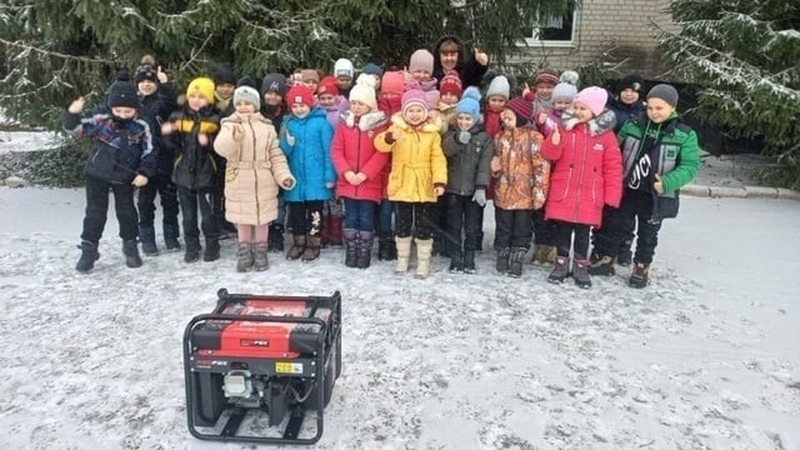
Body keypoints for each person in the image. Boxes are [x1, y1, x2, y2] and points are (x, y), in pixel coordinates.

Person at [589, 84, 700, 288]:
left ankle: (641, 265)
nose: (654, 112)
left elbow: (690, 165)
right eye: (650, 107)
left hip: (655, 194)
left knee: (648, 233)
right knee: (614, 224)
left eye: (660, 108)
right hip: (628, 189)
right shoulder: (633, 124)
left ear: (672, 108)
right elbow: (613, 149)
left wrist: (668, 182)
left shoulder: (684, 134)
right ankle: (606, 257)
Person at [63, 72, 155, 272]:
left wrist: (144, 172)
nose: (122, 114)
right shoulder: (101, 118)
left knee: (127, 212)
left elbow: (150, 150)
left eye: (127, 111)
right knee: (95, 212)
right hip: (98, 172)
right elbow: (76, 129)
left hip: (126, 175)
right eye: (118, 110)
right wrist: (72, 114)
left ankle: (130, 246)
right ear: (110, 107)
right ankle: (89, 248)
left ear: (136, 108)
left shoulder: (142, 124)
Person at [541, 86, 623, 288]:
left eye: (583, 108)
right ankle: (561, 264)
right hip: (565, 190)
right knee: (562, 231)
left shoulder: (606, 136)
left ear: (595, 111)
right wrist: (554, 143)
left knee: (583, 234)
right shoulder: (564, 129)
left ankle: (580, 266)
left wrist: (612, 195)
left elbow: (613, 167)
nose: (577, 112)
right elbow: (549, 155)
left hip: (590, 195)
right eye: (576, 107)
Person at [213, 86, 296, 271]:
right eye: (239, 103)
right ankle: (244, 253)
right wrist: (232, 139)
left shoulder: (266, 127)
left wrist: (283, 176)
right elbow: (221, 149)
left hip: (264, 181)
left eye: (248, 103)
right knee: (243, 218)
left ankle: (261, 252)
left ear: (256, 105)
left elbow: (275, 155)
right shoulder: (229, 124)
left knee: (262, 219)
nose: (243, 107)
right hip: (240, 180)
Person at [375, 87, 447, 279]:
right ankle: (403, 258)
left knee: (423, 224)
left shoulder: (432, 134)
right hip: (403, 182)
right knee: (403, 223)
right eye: (411, 111)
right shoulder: (397, 129)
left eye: (418, 110)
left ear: (425, 112)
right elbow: (380, 144)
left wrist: (439, 181)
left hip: (424, 183)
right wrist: (390, 138)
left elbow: (438, 159)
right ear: (404, 112)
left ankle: (423, 262)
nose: (415, 115)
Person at [161, 76, 222, 263]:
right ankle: (192, 245)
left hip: (207, 173)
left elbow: (222, 147)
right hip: (184, 173)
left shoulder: (216, 118)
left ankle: (212, 244)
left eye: (201, 97)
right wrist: (168, 134)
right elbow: (170, 146)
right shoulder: (178, 116)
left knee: (208, 214)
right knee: (188, 215)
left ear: (209, 99)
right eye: (193, 96)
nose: (196, 100)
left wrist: (208, 142)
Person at [330, 79, 390, 269]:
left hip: (368, 182)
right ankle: (351, 250)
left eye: (361, 104)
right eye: (354, 103)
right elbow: (336, 150)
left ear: (370, 105)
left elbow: (382, 153)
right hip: (348, 182)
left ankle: (364, 252)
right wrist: (346, 172)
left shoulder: (379, 126)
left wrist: (365, 174)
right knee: (351, 217)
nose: (356, 107)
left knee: (365, 217)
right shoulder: (344, 125)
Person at [591, 74, 648, 266]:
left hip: (632, 168)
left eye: (633, 91)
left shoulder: (644, 113)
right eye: (625, 90)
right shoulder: (609, 111)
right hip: (607, 165)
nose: (629, 94)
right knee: (605, 209)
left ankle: (624, 247)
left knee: (626, 212)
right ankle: (599, 246)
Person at [490, 97, 549, 278]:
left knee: (522, 228)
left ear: (522, 118)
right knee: (503, 226)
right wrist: (495, 170)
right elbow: (496, 161)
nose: (505, 121)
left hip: (525, 195)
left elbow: (541, 167)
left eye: (510, 118)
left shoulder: (534, 138)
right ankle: (503, 253)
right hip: (504, 193)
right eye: (505, 118)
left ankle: (517, 256)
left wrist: (539, 192)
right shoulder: (500, 137)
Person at [279, 84, 335, 262]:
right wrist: (287, 144)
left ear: (310, 104)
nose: (299, 109)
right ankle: (298, 242)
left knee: (315, 213)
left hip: (316, 179)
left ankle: (314, 242)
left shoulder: (322, 123)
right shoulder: (288, 124)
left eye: (302, 105)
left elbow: (329, 152)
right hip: (295, 179)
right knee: (296, 213)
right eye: (295, 106)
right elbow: (281, 153)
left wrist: (329, 176)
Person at [132, 55, 180, 256]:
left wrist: (166, 85)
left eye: (150, 81)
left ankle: (171, 236)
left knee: (170, 201)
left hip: (165, 159)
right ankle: (147, 239)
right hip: (144, 163)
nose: (146, 85)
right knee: (145, 202)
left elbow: (175, 105)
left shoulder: (162, 101)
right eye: (142, 81)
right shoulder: (134, 105)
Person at [442, 87, 493, 273]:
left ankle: (469, 257)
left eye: (468, 119)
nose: (464, 122)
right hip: (453, 189)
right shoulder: (450, 134)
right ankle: (455, 257)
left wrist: (481, 187)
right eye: (461, 118)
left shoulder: (484, 139)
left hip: (473, 191)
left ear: (475, 119)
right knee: (454, 225)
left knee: (471, 227)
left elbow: (485, 165)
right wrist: (457, 139)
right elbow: (445, 151)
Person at [530, 80, 578, 266]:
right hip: (546, 168)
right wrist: (539, 122)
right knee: (541, 211)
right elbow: (538, 136)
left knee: (558, 211)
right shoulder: (547, 117)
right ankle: (540, 246)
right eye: (559, 102)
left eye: (567, 102)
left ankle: (554, 248)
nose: (563, 106)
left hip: (565, 170)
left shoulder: (576, 121)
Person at [375, 70, 406, 261]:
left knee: (400, 210)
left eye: (393, 93)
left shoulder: (406, 113)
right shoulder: (377, 113)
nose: (388, 97)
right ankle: (385, 242)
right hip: (383, 169)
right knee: (385, 210)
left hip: (402, 169)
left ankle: (400, 241)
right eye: (385, 93)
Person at [260, 73, 290, 252]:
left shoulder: (286, 116)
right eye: (269, 93)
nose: (272, 97)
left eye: (277, 94)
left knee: (280, 200)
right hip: (261, 163)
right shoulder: (257, 113)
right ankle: (264, 232)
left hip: (281, 161)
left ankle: (277, 231)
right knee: (265, 199)